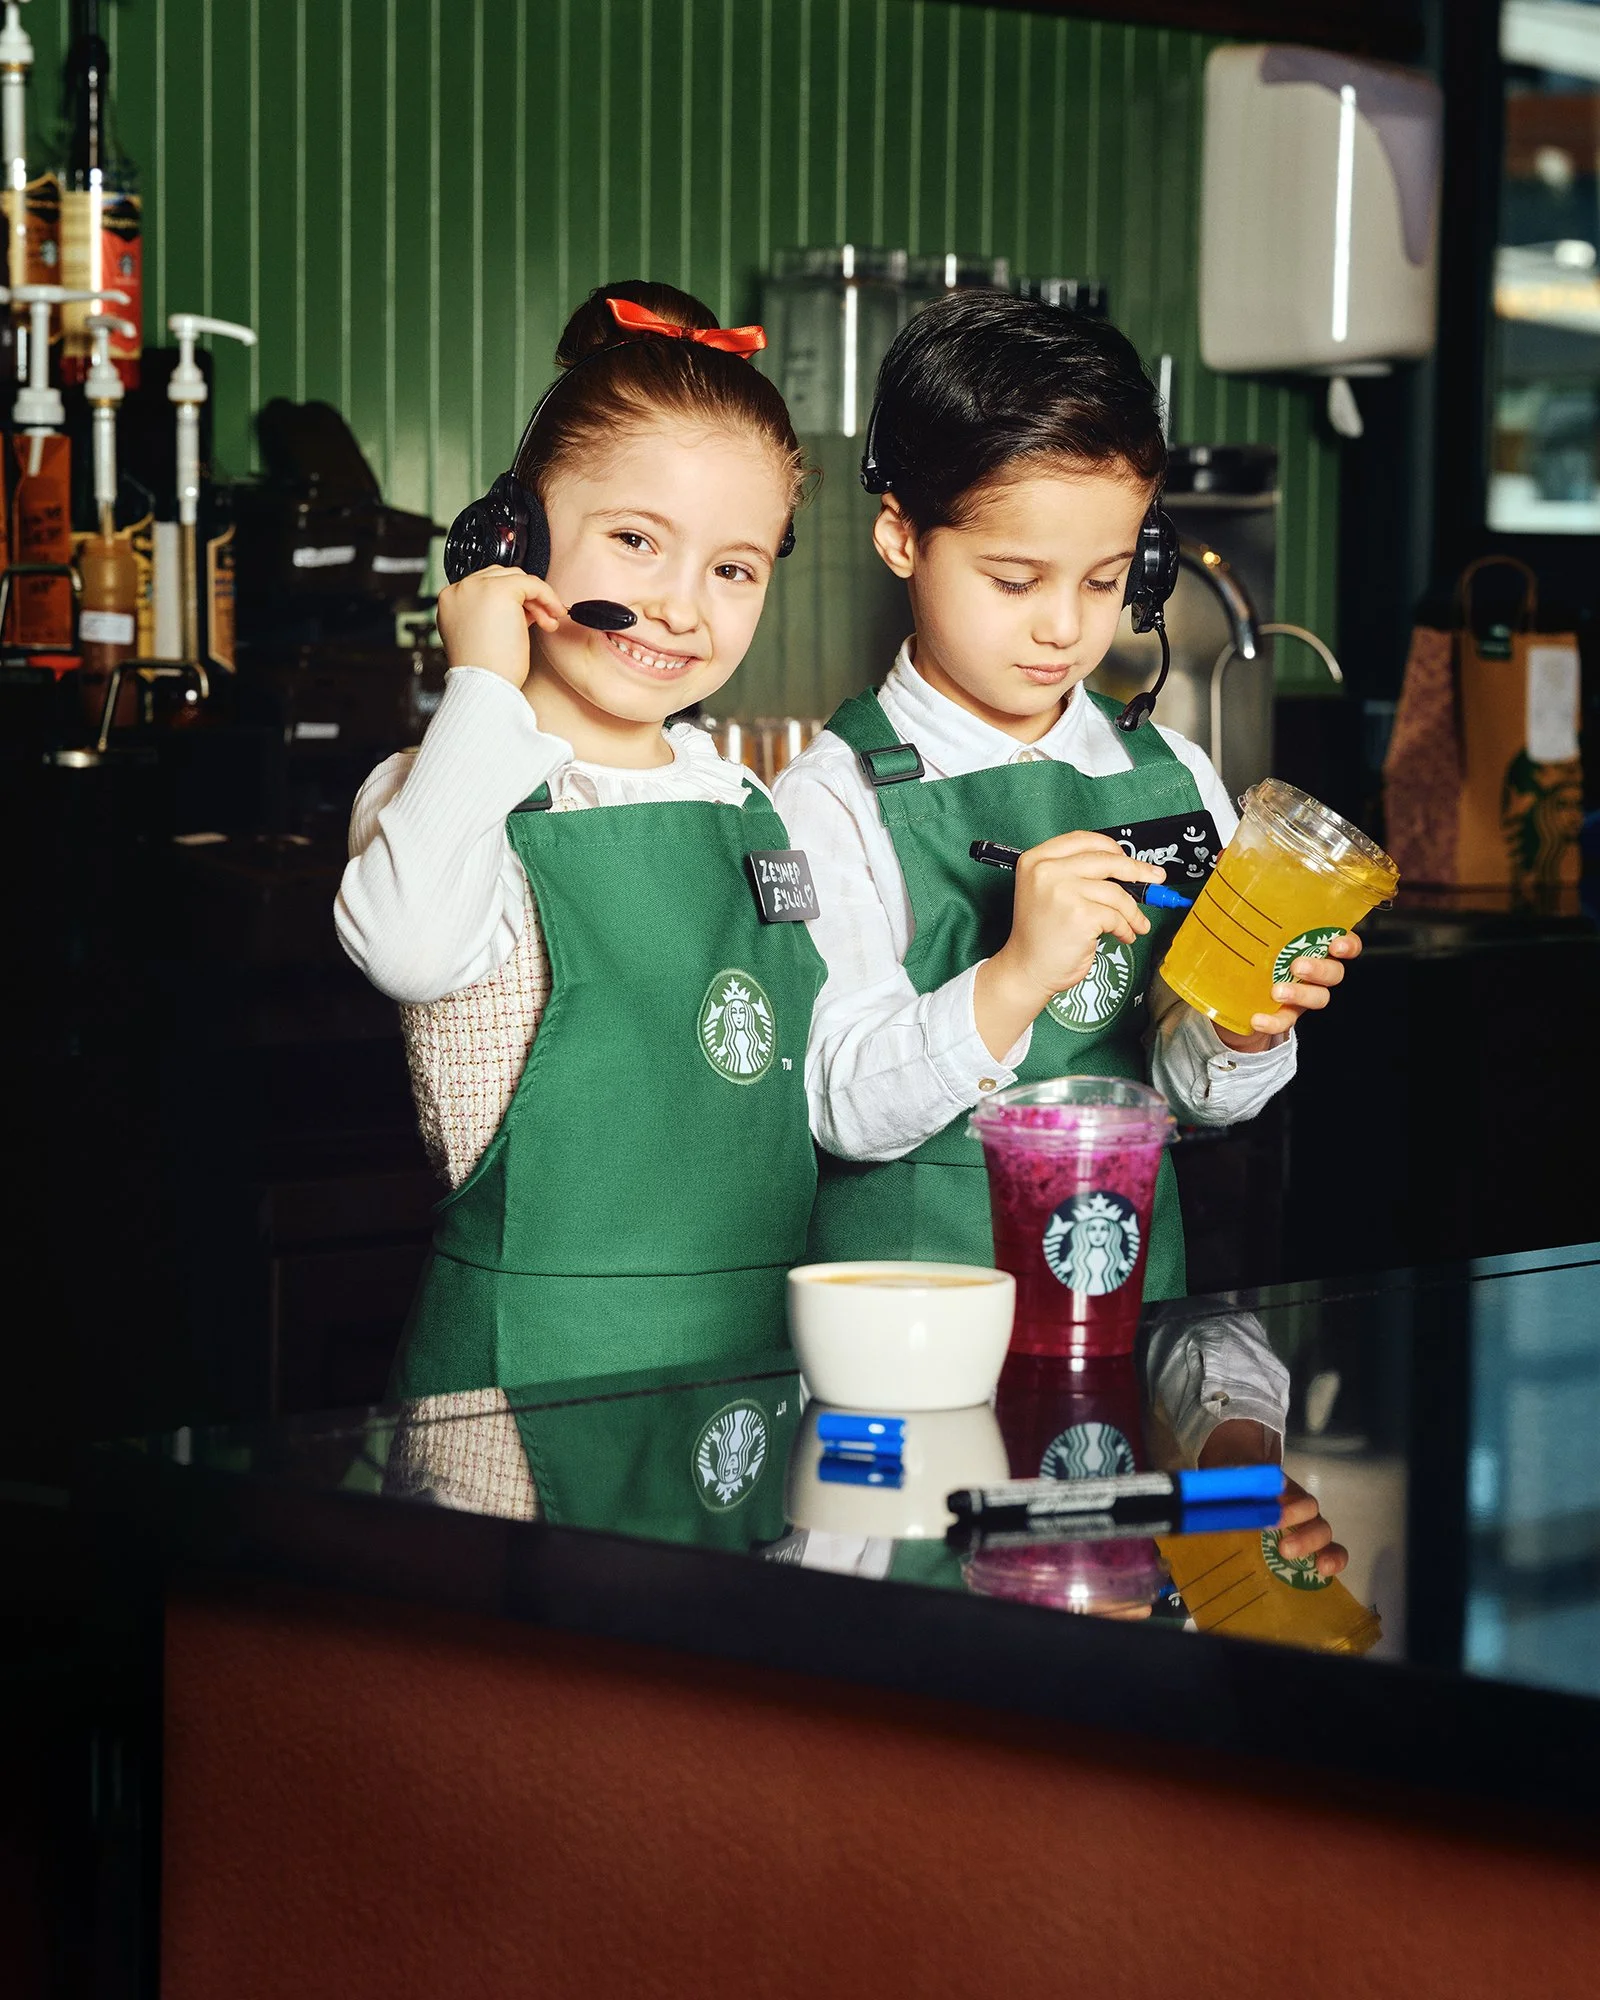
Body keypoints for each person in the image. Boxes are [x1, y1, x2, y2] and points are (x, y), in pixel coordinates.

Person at [774, 291, 1362, 1294]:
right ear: (902, 537)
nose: (1064, 628)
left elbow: (1194, 1091)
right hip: (909, 1351)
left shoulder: (1170, 776)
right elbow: (838, 1104)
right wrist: (1012, 976)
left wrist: (1239, 1024)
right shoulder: (828, 802)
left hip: (1125, 1319)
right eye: (1013, 580)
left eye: (1102, 580)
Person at [337, 279, 821, 1425]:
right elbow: (406, 948)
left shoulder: (748, 800)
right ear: (514, 535)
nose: (680, 606)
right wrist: (482, 684)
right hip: (523, 1383)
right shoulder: (439, 787)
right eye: (637, 540)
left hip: (751, 1367)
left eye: (734, 567)